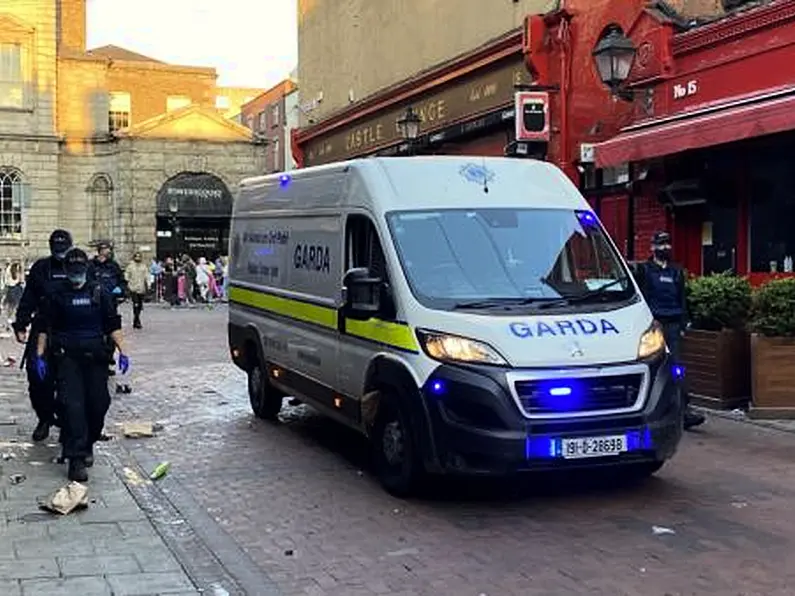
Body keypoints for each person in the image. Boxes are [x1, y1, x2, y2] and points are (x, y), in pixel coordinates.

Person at [33, 247, 129, 482]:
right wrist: (39, 355)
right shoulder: (56, 295)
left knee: (98, 404)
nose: (76, 275)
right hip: (67, 359)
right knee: (72, 405)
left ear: (86, 269)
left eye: (79, 270)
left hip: (95, 358)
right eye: (72, 270)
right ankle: (75, 458)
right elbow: (44, 327)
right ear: (66, 271)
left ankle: (87, 443)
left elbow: (112, 324)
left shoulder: (99, 292)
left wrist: (123, 351)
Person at [634, 231, 705, 430]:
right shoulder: (644, 270)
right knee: (653, 366)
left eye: (667, 244)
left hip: (673, 325)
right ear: (652, 247)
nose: (665, 248)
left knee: (676, 368)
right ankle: (648, 412)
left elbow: (682, 298)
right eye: (661, 245)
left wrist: (684, 323)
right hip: (653, 326)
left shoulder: (676, 271)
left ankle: (684, 411)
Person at [12, 229, 73, 441]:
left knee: (70, 380)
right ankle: (45, 417)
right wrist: (21, 324)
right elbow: (28, 298)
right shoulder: (41, 268)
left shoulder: (78, 265)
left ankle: (69, 422)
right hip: (43, 328)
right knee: (37, 378)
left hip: (70, 330)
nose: (60, 252)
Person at [125, 251, 149, 329]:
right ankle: (137, 321)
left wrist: (148, 284)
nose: (138, 258)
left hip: (141, 288)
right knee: (136, 304)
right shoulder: (130, 266)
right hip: (133, 288)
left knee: (140, 305)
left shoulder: (144, 266)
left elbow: (147, 276)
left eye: (139, 257)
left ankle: (136, 319)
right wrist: (127, 282)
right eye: (136, 257)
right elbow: (126, 275)